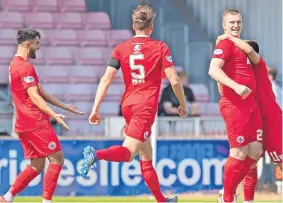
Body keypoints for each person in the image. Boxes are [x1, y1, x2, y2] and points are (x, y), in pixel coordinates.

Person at [79, 4, 189, 203]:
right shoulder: (160, 47)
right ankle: (96, 154)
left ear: (133, 25)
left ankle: (162, 200)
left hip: (128, 105)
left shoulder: (121, 48)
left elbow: (106, 79)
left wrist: (95, 109)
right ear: (151, 27)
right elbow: (173, 79)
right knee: (129, 153)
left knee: (146, 156)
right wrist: (183, 105)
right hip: (145, 107)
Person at [1, 29, 84, 203]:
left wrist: (65, 107)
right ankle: (46, 201)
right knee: (57, 159)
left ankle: (7, 198)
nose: (38, 47)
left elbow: (40, 92)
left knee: (37, 166)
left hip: (23, 124)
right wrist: (54, 114)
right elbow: (35, 96)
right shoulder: (25, 67)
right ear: (27, 44)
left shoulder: (14, 64)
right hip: (35, 122)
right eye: (37, 43)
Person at [216, 35, 282, 202]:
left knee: (279, 161)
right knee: (252, 158)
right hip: (258, 119)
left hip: (272, 121)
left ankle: (227, 191)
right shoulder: (242, 75)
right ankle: (246, 199)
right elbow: (222, 84)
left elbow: (249, 49)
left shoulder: (259, 67)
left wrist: (227, 39)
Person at [208, 9, 263, 203]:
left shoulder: (242, 46)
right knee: (238, 152)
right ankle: (228, 197)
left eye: (238, 22)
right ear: (224, 25)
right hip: (235, 105)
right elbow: (213, 70)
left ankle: (233, 192)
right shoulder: (225, 44)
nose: (235, 25)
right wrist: (236, 86)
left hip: (251, 105)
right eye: (231, 22)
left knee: (256, 152)